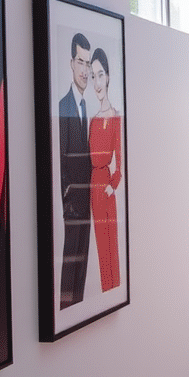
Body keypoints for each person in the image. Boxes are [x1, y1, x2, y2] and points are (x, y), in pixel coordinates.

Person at [58, 32, 92, 308]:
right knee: (69, 267)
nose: (85, 70)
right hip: (72, 208)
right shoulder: (62, 107)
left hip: (88, 205)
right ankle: (66, 308)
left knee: (82, 266)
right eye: (81, 62)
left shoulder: (88, 107)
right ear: (72, 63)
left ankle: (76, 308)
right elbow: (62, 160)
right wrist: (68, 202)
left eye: (88, 63)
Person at [88, 47, 122, 293]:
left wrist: (113, 186)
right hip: (93, 185)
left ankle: (115, 287)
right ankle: (106, 289)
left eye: (100, 75)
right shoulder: (92, 120)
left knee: (112, 240)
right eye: (93, 76)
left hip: (107, 186)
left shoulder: (117, 117)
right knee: (101, 242)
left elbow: (120, 163)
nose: (97, 82)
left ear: (108, 77)